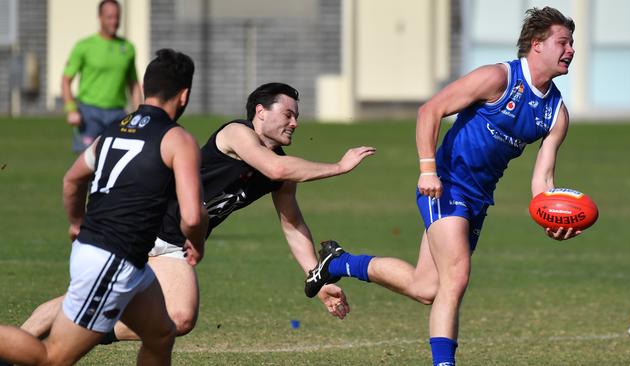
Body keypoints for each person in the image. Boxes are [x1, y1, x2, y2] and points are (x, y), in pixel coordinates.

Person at [304, 7, 578, 366]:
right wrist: (427, 170)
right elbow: (429, 111)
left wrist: (550, 218)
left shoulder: (556, 113)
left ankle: (339, 263)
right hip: (445, 184)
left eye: (572, 42)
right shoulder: (497, 78)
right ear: (537, 44)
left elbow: (542, 179)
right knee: (457, 275)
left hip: (478, 198)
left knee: (426, 288)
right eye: (563, 41)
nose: (571, 49)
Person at [18, 82, 375, 345]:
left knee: (180, 318)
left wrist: (317, 276)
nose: (295, 123)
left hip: (177, 243)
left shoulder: (279, 169)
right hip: (147, 228)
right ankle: (23, 341)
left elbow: (292, 223)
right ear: (260, 113)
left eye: (297, 116)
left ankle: (81, 331)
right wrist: (340, 167)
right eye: (288, 114)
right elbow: (277, 169)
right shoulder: (237, 133)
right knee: (87, 300)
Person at [0, 49, 206, 366]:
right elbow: (192, 216)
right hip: (113, 260)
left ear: (146, 88)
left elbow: (72, 180)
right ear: (184, 95)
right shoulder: (177, 139)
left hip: (125, 260)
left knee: (161, 334)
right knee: (52, 357)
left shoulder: (113, 129)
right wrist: (197, 242)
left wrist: (75, 222)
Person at [62, 0, 142, 153]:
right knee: (87, 166)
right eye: (110, 17)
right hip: (89, 114)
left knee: (116, 163)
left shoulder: (128, 48)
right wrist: (71, 109)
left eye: (117, 17)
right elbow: (66, 80)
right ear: (100, 18)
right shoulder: (84, 46)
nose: (115, 21)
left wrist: (138, 112)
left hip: (118, 114)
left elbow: (133, 84)